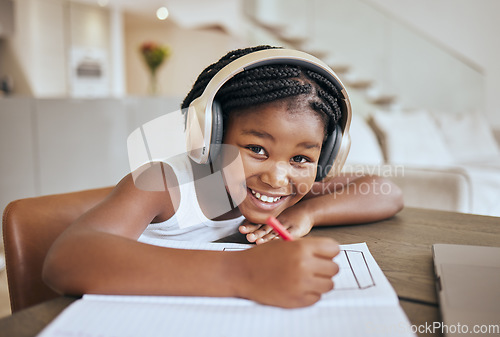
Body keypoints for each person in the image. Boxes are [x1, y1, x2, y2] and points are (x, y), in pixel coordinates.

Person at [43, 45, 403, 309]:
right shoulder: (165, 185)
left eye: (301, 157)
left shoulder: (290, 190)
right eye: (256, 149)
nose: (278, 178)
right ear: (209, 138)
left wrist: (306, 214)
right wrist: (243, 272)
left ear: (326, 159)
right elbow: (66, 259)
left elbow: (385, 191)